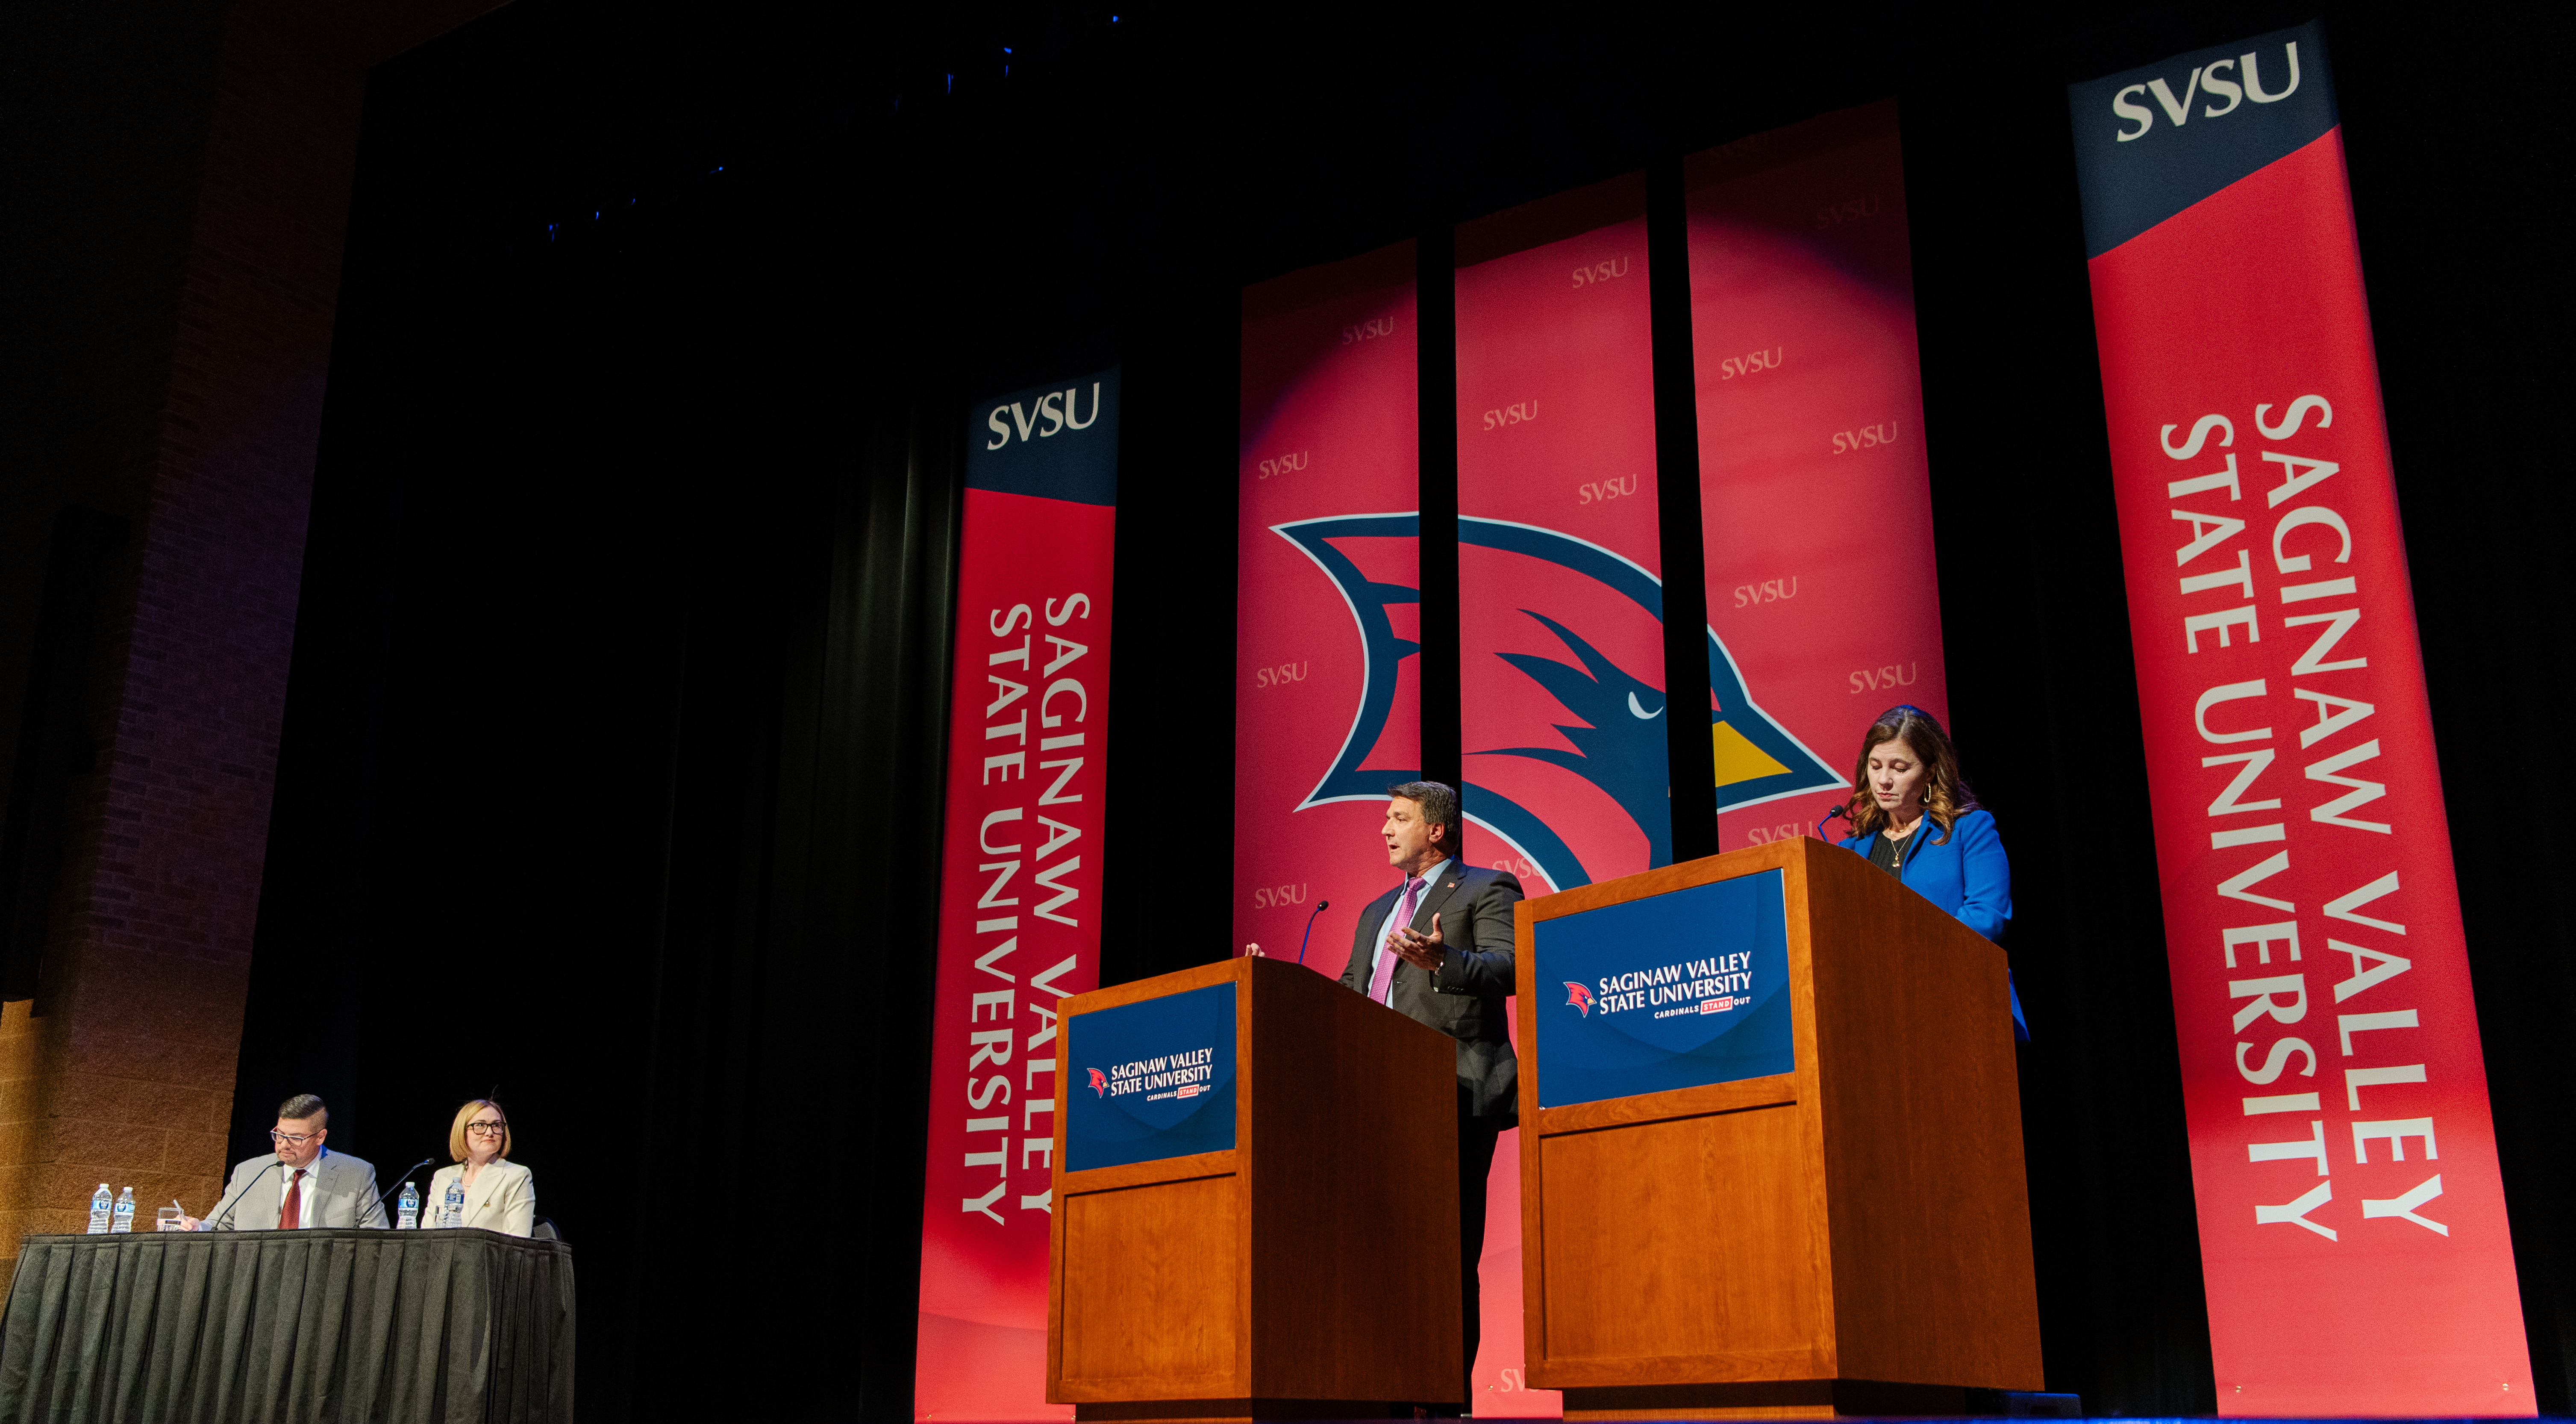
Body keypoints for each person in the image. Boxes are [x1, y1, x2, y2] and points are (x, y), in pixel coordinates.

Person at [1335, 780, 1521, 1412]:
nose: (1385, 830)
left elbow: (1511, 965)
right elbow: (1349, 993)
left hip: (1454, 1090)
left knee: (1444, 1255)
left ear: (1436, 830)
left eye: (1398, 818)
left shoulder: (1485, 888)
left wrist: (1447, 961)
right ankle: (1386, 1394)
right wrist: (1273, 987)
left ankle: (1445, 1400)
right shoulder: (1373, 914)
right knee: (1382, 1257)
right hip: (1379, 1100)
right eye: (1385, 819)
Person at [1833, 704, 2025, 1037]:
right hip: (1878, 1016)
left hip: (1960, 1004)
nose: (1883, 780)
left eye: (1900, 767)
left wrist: (1912, 959)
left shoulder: (1969, 830)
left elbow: (1986, 915)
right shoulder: (1850, 851)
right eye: (1875, 766)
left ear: (1931, 771)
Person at [189, 1092, 387, 1230]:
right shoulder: (248, 1172)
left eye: (296, 1138)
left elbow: (375, 1237)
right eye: (280, 1134)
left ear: (320, 1137)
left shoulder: (357, 1174)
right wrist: (198, 1228)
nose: (284, 1144)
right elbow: (218, 1225)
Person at [420, 1099, 537, 1236]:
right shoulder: (443, 1176)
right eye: (480, 1125)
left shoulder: (516, 1176)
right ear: (462, 1131)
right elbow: (425, 1236)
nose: (489, 1132)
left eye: (497, 1125)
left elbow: (517, 1242)